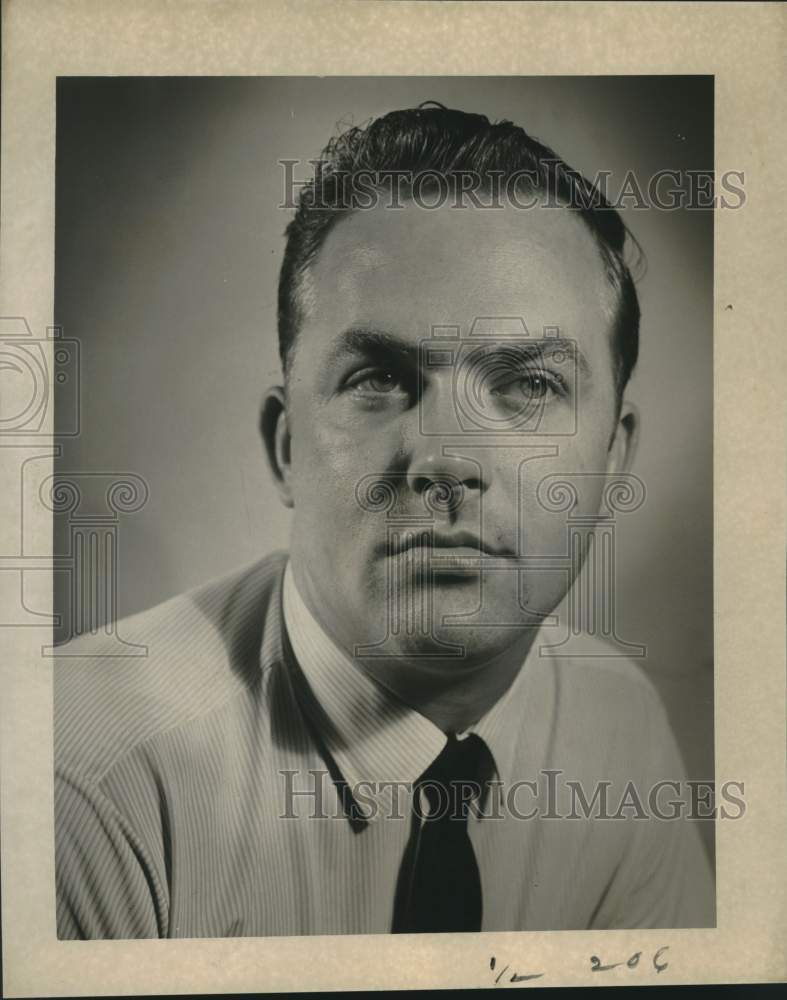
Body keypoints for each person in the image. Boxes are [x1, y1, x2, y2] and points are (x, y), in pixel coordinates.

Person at [54, 103, 715, 938]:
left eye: (527, 386)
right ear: (285, 446)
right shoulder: (74, 784)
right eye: (378, 378)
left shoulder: (615, 720)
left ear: (612, 461)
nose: (444, 459)